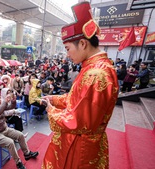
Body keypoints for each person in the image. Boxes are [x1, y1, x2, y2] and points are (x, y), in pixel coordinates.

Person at [41, 2, 119, 169]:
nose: (67, 55)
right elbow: (77, 100)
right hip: (86, 141)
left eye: (68, 49)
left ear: (83, 43)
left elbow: (77, 120)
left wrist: (50, 109)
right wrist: (54, 99)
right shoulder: (97, 67)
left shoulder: (95, 74)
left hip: (79, 145)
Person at [0, 92, 39, 169]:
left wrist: (13, 101)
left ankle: (27, 153)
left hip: (4, 129)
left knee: (20, 135)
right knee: (10, 142)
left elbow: (10, 107)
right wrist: (4, 102)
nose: (0, 99)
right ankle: (18, 163)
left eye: (0, 97)